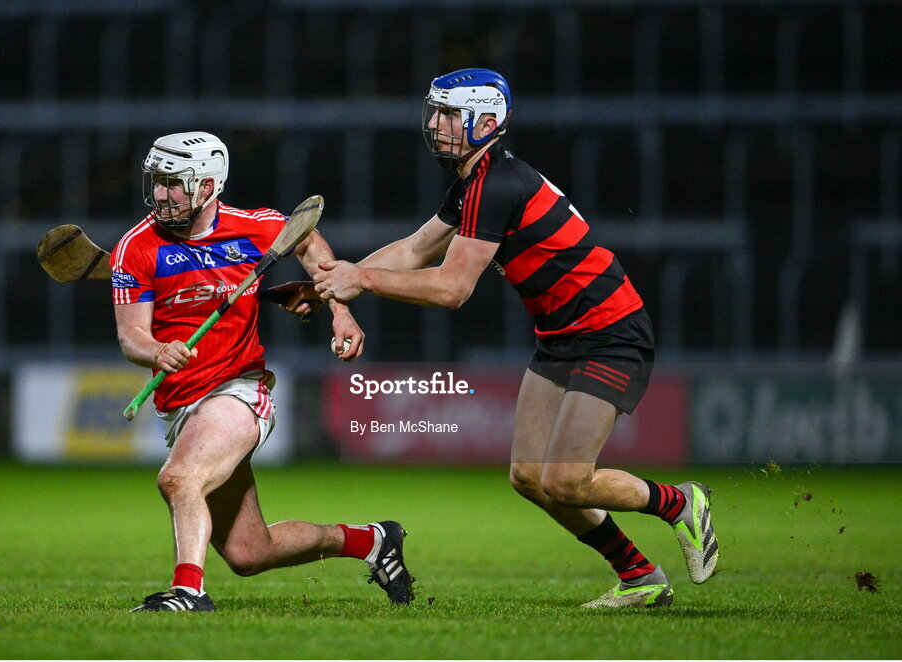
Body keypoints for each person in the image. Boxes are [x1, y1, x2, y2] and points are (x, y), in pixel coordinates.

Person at [312, 69, 718, 608]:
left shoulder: (496, 186)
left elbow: (453, 289)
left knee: (568, 479)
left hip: (610, 333)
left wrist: (358, 279)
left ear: (487, 120)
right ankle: (640, 577)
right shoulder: (475, 183)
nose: (437, 125)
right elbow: (414, 251)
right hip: (560, 337)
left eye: (450, 115)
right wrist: (336, 282)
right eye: (435, 113)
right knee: (530, 476)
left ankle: (680, 504)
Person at [111, 131, 414, 611]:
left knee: (179, 479)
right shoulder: (136, 247)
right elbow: (132, 337)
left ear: (209, 186)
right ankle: (373, 541)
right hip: (180, 405)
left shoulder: (253, 227)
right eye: (157, 181)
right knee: (250, 553)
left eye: (175, 183)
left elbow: (308, 239)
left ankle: (188, 592)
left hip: (238, 390)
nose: (161, 194)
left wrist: (339, 310)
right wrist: (156, 351)